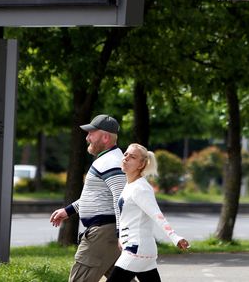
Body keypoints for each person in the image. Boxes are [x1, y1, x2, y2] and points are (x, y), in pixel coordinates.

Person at [50, 115, 126, 282]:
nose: (87, 137)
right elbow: (96, 196)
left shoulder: (112, 162)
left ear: (105, 137)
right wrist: (68, 210)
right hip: (106, 234)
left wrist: (122, 234)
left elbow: (121, 200)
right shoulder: (107, 160)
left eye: (92, 133)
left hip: (103, 234)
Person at [106, 143, 189, 282]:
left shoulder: (141, 188)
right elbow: (128, 217)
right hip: (140, 249)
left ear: (141, 165)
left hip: (136, 250)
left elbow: (157, 215)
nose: (126, 158)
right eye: (125, 154)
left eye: (132, 157)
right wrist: (121, 237)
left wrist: (175, 237)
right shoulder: (130, 185)